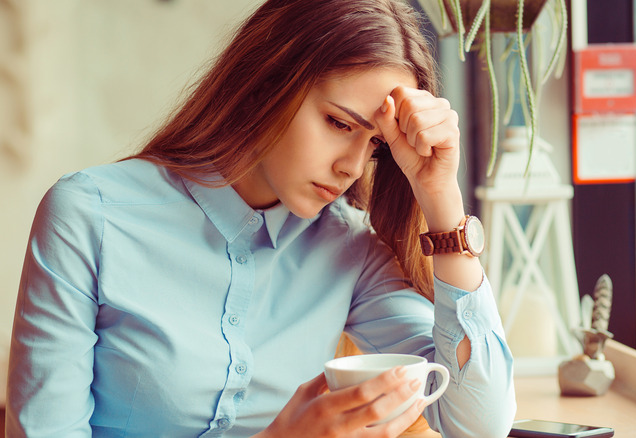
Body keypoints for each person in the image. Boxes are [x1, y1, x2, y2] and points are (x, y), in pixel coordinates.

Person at [5, 0, 516, 436]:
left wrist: (441, 196)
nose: (352, 166)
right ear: (265, 83)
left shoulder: (349, 248)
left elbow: (477, 421)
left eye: (376, 145)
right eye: (339, 123)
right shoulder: (89, 215)